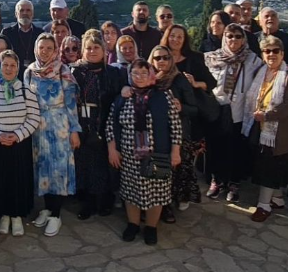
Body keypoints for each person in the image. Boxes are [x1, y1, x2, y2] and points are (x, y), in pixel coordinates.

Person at [107, 59, 182, 245]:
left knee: (156, 192)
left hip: (157, 153)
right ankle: (133, 224)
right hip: (129, 155)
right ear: (129, 75)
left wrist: (175, 152)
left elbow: (176, 126)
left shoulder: (163, 96)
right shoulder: (122, 97)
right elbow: (110, 124)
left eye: (143, 72)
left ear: (151, 75)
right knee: (131, 191)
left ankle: (151, 227)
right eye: (135, 73)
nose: (139, 77)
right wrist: (112, 150)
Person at [149, 45, 216, 222]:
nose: (161, 61)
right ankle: (160, 205)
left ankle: (171, 204)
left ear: (171, 60)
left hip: (178, 133)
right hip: (157, 133)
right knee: (160, 171)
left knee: (177, 171)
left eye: (165, 57)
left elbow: (194, 108)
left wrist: (182, 108)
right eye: (157, 58)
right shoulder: (150, 80)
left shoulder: (179, 80)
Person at [24, 33, 81, 237]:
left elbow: (71, 104)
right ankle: (47, 209)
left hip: (59, 126)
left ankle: (56, 215)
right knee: (43, 169)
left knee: (58, 170)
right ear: (36, 49)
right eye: (42, 47)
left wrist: (74, 131)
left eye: (49, 48)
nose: (45, 51)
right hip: (37, 128)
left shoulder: (63, 70)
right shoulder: (30, 72)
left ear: (55, 50)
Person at [0, 50, 40, 236]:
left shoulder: (25, 90)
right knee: (0, 180)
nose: (9, 69)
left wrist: (17, 135)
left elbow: (34, 118)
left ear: (18, 68)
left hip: (19, 144)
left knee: (19, 180)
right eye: (5, 65)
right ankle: (3, 215)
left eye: (13, 65)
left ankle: (17, 216)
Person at [241, 36, 288, 223]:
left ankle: (263, 205)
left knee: (271, 165)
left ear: (282, 53)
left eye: (276, 51)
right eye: (267, 51)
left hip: (279, 130)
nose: (271, 54)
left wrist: (267, 115)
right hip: (259, 126)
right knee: (268, 163)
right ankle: (276, 198)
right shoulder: (262, 71)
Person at [204, 23, 264, 203]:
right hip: (218, 110)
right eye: (230, 36)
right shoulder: (212, 58)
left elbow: (266, 75)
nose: (233, 40)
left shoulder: (253, 60)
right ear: (224, 38)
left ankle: (233, 184)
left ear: (244, 39)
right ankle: (217, 181)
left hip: (240, 112)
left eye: (238, 36)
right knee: (217, 147)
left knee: (237, 149)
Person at [70, 31, 124, 220]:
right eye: (89, 47)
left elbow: (119, 98)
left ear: (103, 50)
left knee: (104, 165)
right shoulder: (75, 72)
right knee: (84, 164)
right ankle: (88, 203)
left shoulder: (114, 73)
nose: (92, 51)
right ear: (83, 50)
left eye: (96, 47)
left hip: (106, 123)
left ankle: (105, 201)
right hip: (82, 124)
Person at [1, 0, 39, 78]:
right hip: (13, 76)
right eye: (21, 10)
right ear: (16, 14)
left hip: (35, 77)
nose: (25, 13)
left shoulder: (40, 33)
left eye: (28, 10)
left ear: (32, 14)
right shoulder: (7, 33)